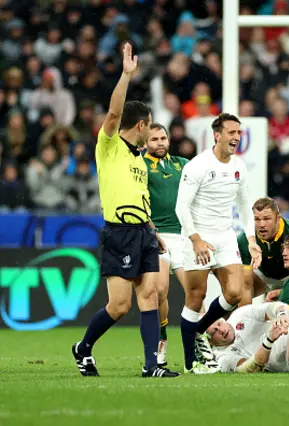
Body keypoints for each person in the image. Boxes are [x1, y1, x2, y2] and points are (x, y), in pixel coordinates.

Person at [71, 43, 179, 378]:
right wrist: (126, 74)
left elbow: (139, 199)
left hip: (144, 232)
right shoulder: (110, 146)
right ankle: (83, 348)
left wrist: (154, 232)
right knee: (120, 306)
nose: (152, 132)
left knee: (149, 295)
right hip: (118, 233)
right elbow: (114, 114)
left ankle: (151, 366)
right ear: (142, 124)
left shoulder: (138, 160)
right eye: (150, 126)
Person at [175, 113, 262, 374]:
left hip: (224, 236)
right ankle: (191, 362)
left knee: (236, 292)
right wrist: (196, 240)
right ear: (217, 135)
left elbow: (245, 206)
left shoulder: (238, 166)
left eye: (239, 133)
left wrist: (251, 239)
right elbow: (181, 207)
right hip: (198, 236)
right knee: (195, 297)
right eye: (231, 132)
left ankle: (199, 332)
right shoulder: (198, 165)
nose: (236, 137)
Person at [143, 123, 190, 367]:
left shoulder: (183, 164)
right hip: (157, 237)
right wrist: (151, 230)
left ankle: (198, 346)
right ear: (146, 143)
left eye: (163, 138)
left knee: (195, 293)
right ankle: (162, 338)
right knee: (160, 290)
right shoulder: (139, 166)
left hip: (183, 237)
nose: (160, 143)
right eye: (154, 139)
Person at [236, 197, 289, 305]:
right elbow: (246, 287)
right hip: (264, 276)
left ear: (278, 219)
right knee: (234, 295)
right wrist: (245, 317)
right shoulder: (244, 241)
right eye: (257, 219)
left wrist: (283, 293)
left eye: (267, 219)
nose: (262, 224)